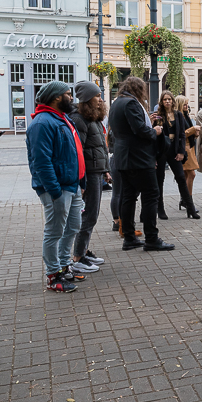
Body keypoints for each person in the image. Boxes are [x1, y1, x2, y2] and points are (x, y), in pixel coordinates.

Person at [27, 80, 87, 292]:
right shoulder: (43, 123)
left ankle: (64, 265)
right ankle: (53, 275)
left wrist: (81, 181)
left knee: (73, 226)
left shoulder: (62, 119)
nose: (72, 98)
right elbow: (41, 161)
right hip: (57, 188)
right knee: (54, 232)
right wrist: (53, 190)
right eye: (68, 94)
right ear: (56, 98)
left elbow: (75, 153)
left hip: (71, 185)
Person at [108, 76, 175, 251]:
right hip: (138, 158)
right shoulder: (131, 103)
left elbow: (126, 129)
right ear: (138, 88)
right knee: (151, 195)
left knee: (128, 197)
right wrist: (155, 130)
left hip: (123, 157)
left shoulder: (117, 103)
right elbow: (140, 131)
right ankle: (152, 238)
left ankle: (129, 237)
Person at [69, 81, 110, 274]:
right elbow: (79, 150)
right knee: (89, 214)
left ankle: (83, 250)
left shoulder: (93, 117)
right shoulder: (79, 119)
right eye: (97, 96)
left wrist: (106, 169)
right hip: (89, 173)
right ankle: (78, 256)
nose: (100, 99)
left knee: (92, 214)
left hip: (97, 171)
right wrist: (81, 179)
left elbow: (101, 146)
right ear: (86, 99)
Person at [156, 90, 201, 219]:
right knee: (160, 179)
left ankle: (190, 208)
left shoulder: (178, 115)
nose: (167, 101)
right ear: (162, 101)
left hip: (174, 150)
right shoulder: (159, 115)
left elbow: (182, 134)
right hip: (161, 150)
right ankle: (161, 209)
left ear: (173, 101)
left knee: (181, 177)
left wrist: (181, 152)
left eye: (169, 99)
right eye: (165, 99)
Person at [175, 95, 201, 201]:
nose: (187, 106)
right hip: (184, 148)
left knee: (186, 175)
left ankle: (184, 198)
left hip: (189, 147)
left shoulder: (186, 115)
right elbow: (180, 134)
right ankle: (188, 199)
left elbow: (188, 132)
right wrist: (193, 129)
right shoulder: (177, 116)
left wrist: (195, 133)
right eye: (184, 104)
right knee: (191, 174)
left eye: (187, 104)